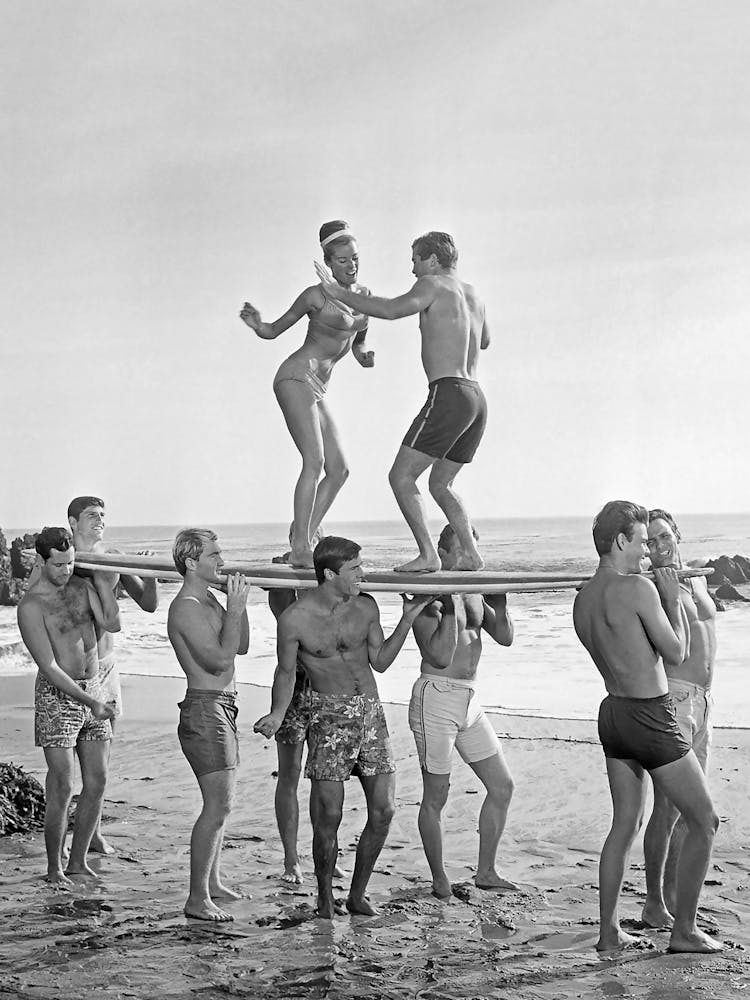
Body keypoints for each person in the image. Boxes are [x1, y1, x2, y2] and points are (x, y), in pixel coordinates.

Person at [254, 536, 431, 918]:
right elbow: (285, 673)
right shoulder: (295, 619)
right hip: (328, 716)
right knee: (329, 816)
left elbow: (380, 661)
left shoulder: (365, 607)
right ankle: (323, 898)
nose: (363, 574)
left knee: (383, 810)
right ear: (330, 574)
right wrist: (276, 713)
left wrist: (408, 618)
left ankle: (356, 893)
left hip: (370, 712)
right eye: (355, 569)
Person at [573, 501, 721, 954]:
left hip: (613, 713)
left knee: (624, 824)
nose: (645, 552)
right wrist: (672, 600)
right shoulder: (637, 590)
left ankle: (608, 931)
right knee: (705, 820)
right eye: (640, 541)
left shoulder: (583, 598)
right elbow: (674, 653)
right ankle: (684, 930)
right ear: (620, 541)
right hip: (651, 716)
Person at [316, 230, 488, 573]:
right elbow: (484, 340)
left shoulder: (433, 285)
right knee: (441, 483)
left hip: (449, 393)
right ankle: (470, 553)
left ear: (433, 260)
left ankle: (429, 555)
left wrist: (336, 292)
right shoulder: (473, 294)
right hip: (476, 398)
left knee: (401, 477)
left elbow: (392, 310)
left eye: (415, 261)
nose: (412, 270)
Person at [239, 221, 374, 569]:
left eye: (355, 258)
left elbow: (358, 345)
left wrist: (365, 357)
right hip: (295, 377)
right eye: (342, 260)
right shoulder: (316, 295)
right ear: (328, 262)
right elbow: (272, 331)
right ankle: (300, 545)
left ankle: (304, 537)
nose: (351, 265)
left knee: (339, 470)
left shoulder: (365, 299)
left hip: (318, 387)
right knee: (314, 461)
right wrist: (257, 324)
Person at [409, 524, 516, 899]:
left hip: (470, 699)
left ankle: (486, 871)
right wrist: (451, 602)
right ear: (442, 550)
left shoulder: (473, 587)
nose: (472, 555)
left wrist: (500, 601)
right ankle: (440, 878)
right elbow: (436, 655)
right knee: (436, 796)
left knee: (502, 786)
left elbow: (504, 636)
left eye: (475, 546)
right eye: (464, 548)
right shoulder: (427, 592)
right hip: (435, 696)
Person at [17, 527, 117, 886]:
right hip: (58, 697)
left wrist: (106, 582)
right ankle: (53, 868)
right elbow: (48, 665)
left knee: (99, 779)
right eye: (58, 564)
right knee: (62, 784)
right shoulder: (31, 606)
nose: (66, 570)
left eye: (71, 562)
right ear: (42, 561)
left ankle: (77, 861)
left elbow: (112, 624)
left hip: (95, 688)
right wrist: (90, 700)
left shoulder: (81, 587)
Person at [67, 495, 160, 854]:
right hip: (73, 669)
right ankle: (74, 834)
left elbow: (148, 604)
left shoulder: (112, 556)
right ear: (74, 522)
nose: (99, 521)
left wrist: (149, 576)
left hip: (107, 666)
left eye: (103, 515)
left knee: (101, 762)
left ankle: (92, 833)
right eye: (92, 515)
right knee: (71, 760)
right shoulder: (66, 559)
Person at [167, 528, 250, 922]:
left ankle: (212, 883)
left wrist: (239, 603)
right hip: (205, 709)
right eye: (214, 555)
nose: (221, 560)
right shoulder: (185, 607)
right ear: (191, 563)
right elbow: (218, 661)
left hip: (225, 705)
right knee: (217, 806)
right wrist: (232, 610)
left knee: (223, 805)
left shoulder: (210, 598)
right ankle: (197, 897)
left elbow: (242, 645)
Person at [641, 509, 717, 928]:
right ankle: (654, 902)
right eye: (649, 542)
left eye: (664, 536)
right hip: (674, 700)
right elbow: (672, 649)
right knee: (669, 809)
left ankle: (673, 898)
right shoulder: (652, 587)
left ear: (678, 534)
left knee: (691, 813)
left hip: (704, 703)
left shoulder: (699, 577)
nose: (659, 546)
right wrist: (666, 595)